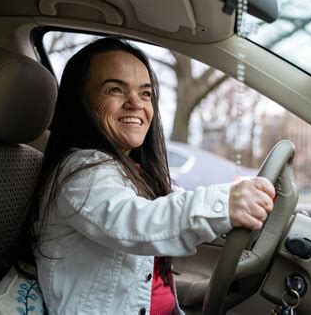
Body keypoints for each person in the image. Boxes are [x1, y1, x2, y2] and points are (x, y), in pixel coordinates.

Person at [23, 37, 275, 314]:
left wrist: (245, 200)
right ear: (81, 103)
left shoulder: (131, 170)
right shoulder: (78, 173)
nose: (136, 103)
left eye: (145, 93)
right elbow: (138, 222)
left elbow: (172, 206)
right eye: (115, 89)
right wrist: (224, 204)